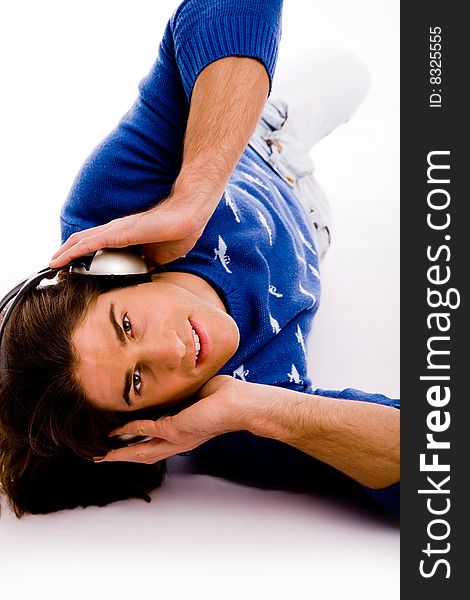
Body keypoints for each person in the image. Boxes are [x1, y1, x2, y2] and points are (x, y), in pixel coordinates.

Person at [0, 0, 399, 518]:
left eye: (127, 325)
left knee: (348, 71)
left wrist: (193, 195)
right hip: (312, 223)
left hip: (255, 141)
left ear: (112, 272)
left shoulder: (111, 211)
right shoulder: (231, 423)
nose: (171, 349)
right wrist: (260, 410)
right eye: (136, 383)